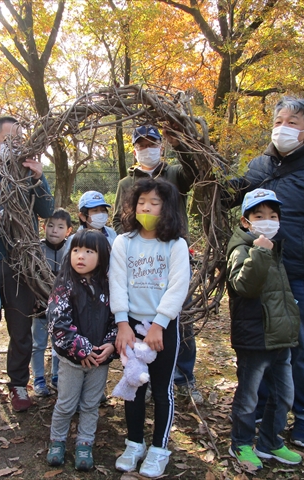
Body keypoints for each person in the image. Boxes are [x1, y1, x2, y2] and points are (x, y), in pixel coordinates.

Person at [233, 97, 304, 448]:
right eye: (279, 119)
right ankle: (264, 410)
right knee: (262, 346)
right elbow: (228, 199)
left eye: (293, 122)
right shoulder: (257, 168)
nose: (284, 126)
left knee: (302, 350)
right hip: (260, 273)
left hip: (299, 275)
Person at [0, 116, 54, 413]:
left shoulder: (29, 170)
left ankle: (18, 383)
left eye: (20, 140)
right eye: (9, 140)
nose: (15, 146)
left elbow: (47, 210)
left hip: (21, 263)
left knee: (20, 329)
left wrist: (38, 179)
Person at [112, 125, 202, 404]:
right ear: (134, 148)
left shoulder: (174, 173)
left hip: (172, 256)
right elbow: (118, 219)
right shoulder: (126, 183)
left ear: (162, 146)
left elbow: (196, 175)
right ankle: (145, 376)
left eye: (152, 143)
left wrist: (182, 144)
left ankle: (184, 376)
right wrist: (132, 244)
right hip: (140, 263)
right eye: (141, 144)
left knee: (179, 317)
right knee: (141, 323)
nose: (146, 148)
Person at [109, 178, 190, 478]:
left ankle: (159, 449)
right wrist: (121, 323)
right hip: (130, 326)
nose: (147, 207)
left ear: (166, 208)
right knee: (133, 386)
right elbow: (116, 282)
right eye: (142, 202)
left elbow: (178, 286)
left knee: (161, 389)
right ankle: (134, 443)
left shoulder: (175, 244)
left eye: (154, 203)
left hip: (162, 327)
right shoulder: (123, 242)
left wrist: (159, 324)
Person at [227, 189, 302, 470]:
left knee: (284, 395)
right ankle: (241, 444)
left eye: (272, 216)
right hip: (254, 340)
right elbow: (244, 286)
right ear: (246, 221)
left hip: (279, 338)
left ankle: (271, 442)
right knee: (248, 398)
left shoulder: (274, 247)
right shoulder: (243, 249)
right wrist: (259, 251)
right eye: (259, 216)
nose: (267, 220)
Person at [46, 229, 117, 471]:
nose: (81, 256)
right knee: (66, 403)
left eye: (89, 251)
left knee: (90, 404)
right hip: (72, 361)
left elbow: (118, 320)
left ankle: (85, 443)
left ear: (103, 256)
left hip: (100, 361)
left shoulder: (110, 287)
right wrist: (82, 349)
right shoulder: (64, 285)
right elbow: (58, 323)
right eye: (76, 250)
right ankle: (57, 441)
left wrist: (110, 345)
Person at [31, 208, 72, 397]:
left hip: (61, 309)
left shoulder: (71, 250)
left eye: (60, 227)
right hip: (39, 306)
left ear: (68, 231)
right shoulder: (36, 249)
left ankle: (57, 376)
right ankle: (38, 378)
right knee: (38, 344)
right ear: (43, 227)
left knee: (59, 343)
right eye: (50, 225)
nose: (54, 230)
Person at [64, 191, 118, 257]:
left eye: (103, 210)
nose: (100, 214)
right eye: (95, 210)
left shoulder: (112, 234)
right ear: (83, 216)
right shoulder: (73, 240)